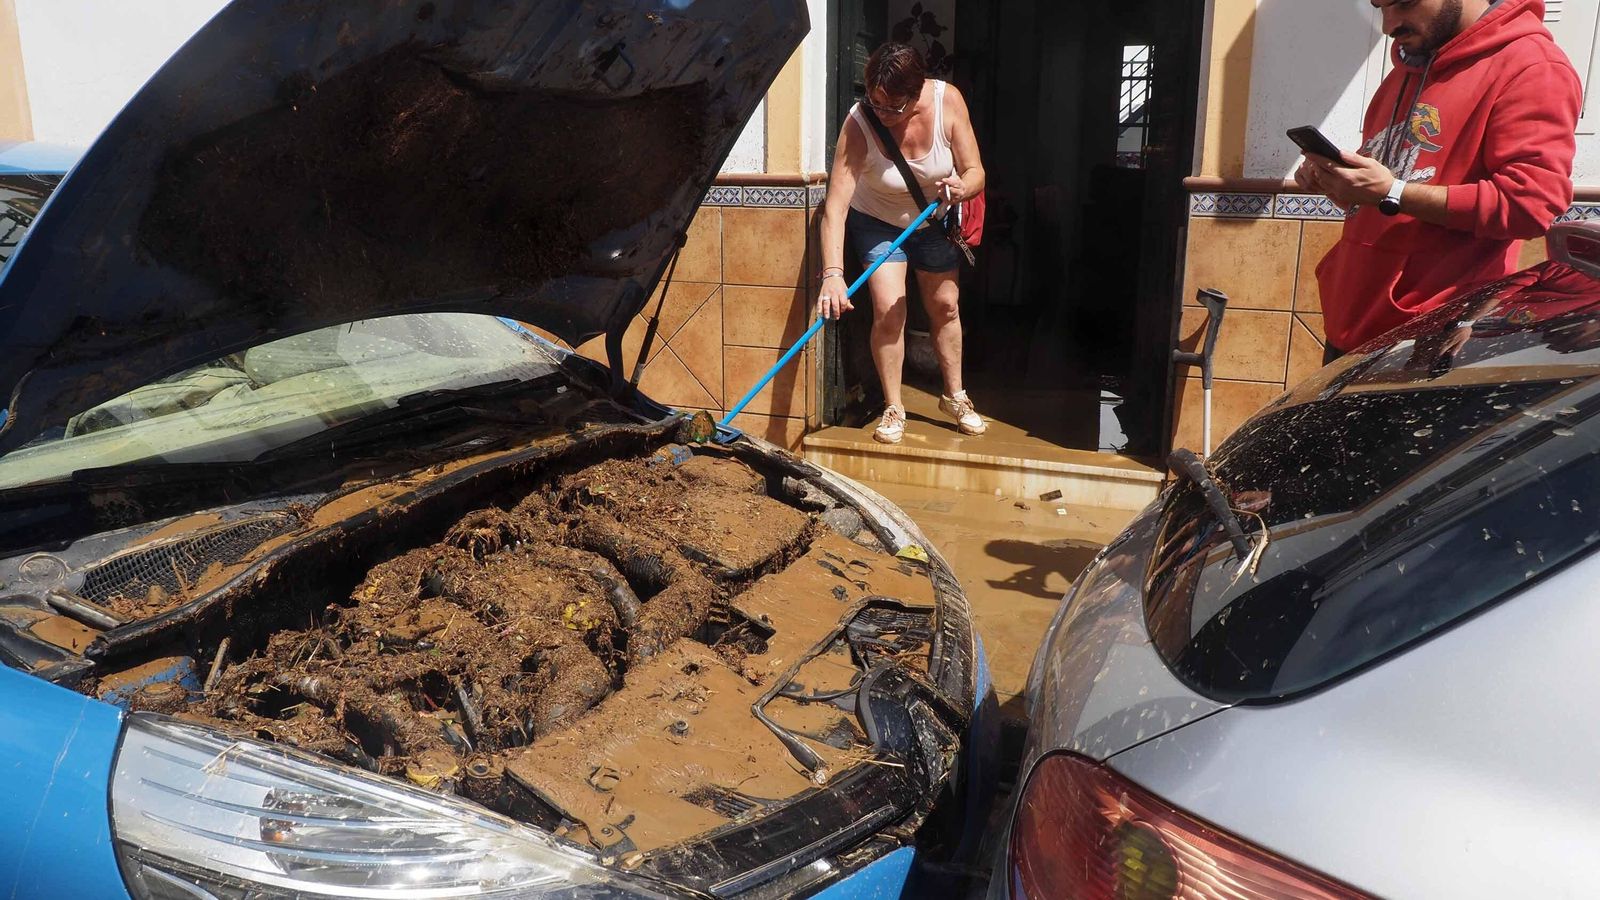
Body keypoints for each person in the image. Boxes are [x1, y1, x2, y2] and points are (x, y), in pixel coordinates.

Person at [1296, 0, 1581, 363]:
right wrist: (1339, 183)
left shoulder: (1533, 66)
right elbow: (1392, 196)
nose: (1389, 25)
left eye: (1404, 3)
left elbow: (1530, 206)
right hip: (1353, 330)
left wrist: (1392, 192)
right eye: (1380, 7)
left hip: (1429, 340)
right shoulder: (1408, 69)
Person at [816, 43, 987, 444]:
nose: (884, 114)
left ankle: (955, 395)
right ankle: (894, 405)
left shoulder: (948, 102)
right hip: (878, 224)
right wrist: (833, 274)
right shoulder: (860, 124)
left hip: (934, 220)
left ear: (918, 91)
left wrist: (962, 187)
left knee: (945, 306)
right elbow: (836, 207)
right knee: (888, 310)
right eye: (876, 102)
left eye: (895, 106)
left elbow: (976, 170)